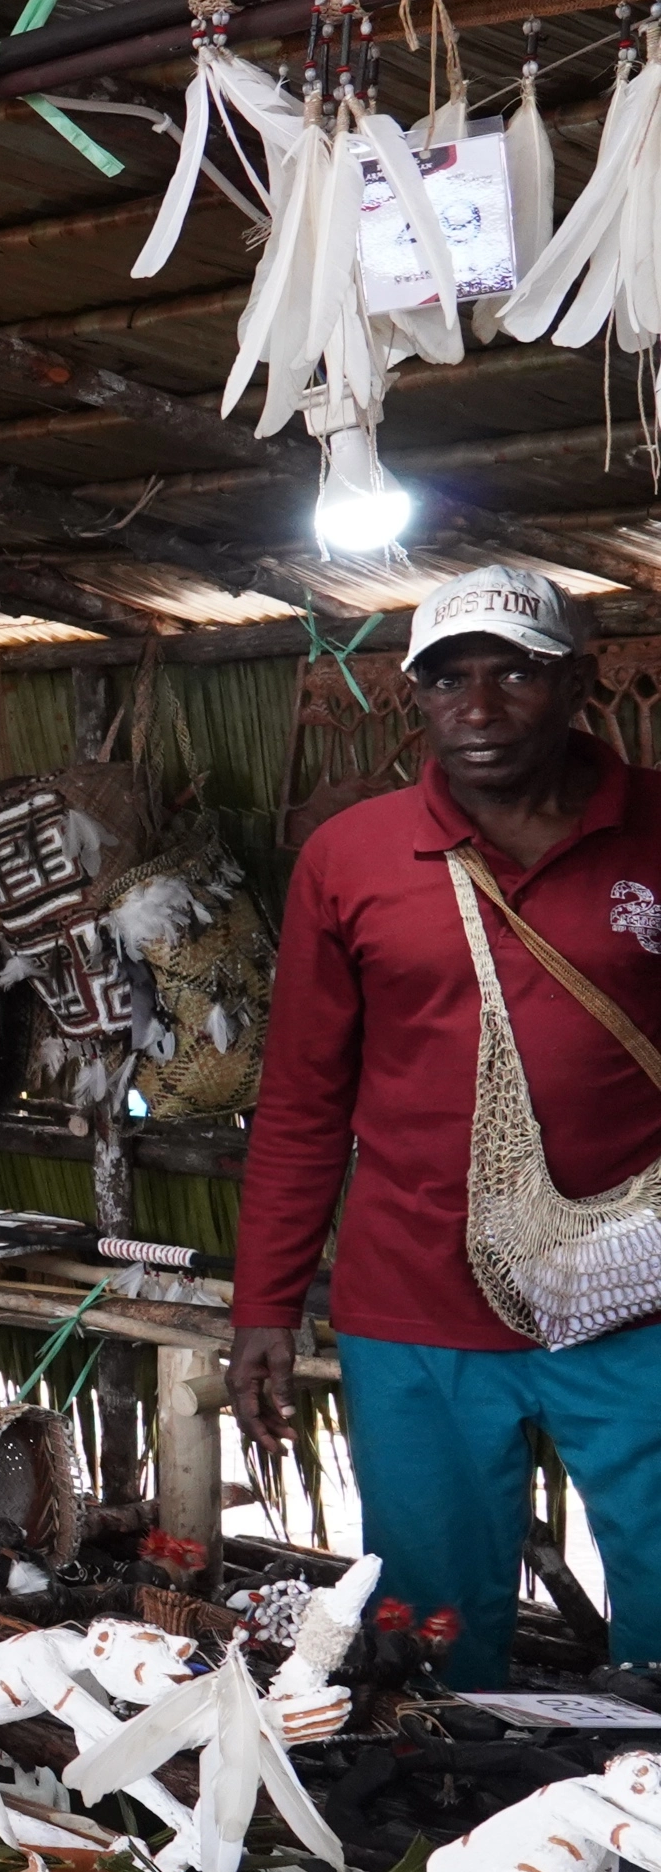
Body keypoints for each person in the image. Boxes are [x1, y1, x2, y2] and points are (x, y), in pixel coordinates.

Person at [234, 562, 661, 1691]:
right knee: (427, 1620)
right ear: (413, 696)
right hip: (415, 1302)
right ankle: (447, 1837)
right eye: (445, 679)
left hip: (636, 1293)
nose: (475, 708)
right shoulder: (352, 856)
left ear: (579, 681)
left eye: (512, 673)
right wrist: (263, 1305)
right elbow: (300, 1100)